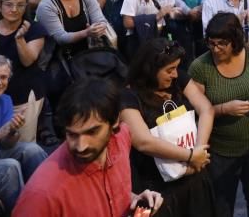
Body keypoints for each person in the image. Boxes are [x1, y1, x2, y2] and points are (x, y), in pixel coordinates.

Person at [14, 78, 164, 215]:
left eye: (92, 132)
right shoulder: (41, 195)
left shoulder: (122, 138)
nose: (81, 146)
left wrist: (135, 200)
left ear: (115, 122)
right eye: (72, 134)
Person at [189, 12, 249, 217]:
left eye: (222, 43)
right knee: (221, 207)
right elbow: (194, 111)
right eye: (211, 43)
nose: (216, 48)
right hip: (221, 153)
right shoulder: (201, 67)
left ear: (235, 40)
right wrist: (223, 109)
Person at [119, 38, 216, 215]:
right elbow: (143, 141)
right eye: (169, 70)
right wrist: (190, 156)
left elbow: (206, 109)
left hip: (193, 180)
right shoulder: (128, 97)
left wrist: (199, 150)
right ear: (150, 70)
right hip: (157, 190)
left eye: (176, 68)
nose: (175, 75)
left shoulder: (178, 81)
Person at [0, 55, 48, 212]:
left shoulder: (5, 100)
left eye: (4, 77)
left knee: (32, 150)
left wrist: (13, 130)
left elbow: (6, 143)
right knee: (10, 168)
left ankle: (47, 197)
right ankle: (25, 212)